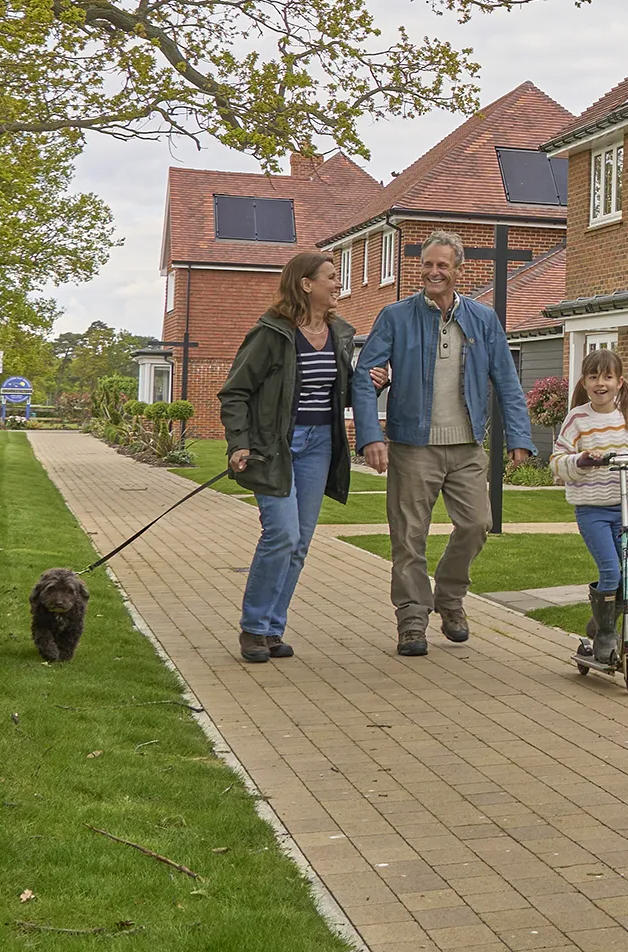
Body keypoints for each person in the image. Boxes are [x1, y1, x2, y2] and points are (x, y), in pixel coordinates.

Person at [352, 229, 533, 656]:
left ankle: (449, 596)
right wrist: (370, 436)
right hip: (413, 445)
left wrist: (519, 437)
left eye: (442, 265)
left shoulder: (483, 320)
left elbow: (506, 380)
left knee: (476, 524)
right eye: (428, 264)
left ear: (459, 270)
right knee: (409, 537)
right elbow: (366, 376)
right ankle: (412, 619)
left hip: (467, 445)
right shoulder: (395, 316)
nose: (434, 272)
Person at [217, 249, 357, 664]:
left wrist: (374, 383)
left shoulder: (341, 333)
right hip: (274, 447)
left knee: (301, 542)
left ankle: (273, 630)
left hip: (319, 445)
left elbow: (340, 392)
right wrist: (239, 442)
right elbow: (235, 392)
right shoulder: (272, 332)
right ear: (306, 284)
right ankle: (254, 628)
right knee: (282, 534)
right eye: (331, 277)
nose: (337, 284)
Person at [549, 346, 628, 670]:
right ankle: (604, 636)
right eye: (593, 376)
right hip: (592, 510)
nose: (601, 383)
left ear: (620, 382)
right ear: (584, 382)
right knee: (612, 572)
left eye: (607, 377)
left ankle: (602, 625)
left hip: (624, 509)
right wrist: (580, 461)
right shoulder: (577, 419)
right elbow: (557, 461)